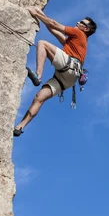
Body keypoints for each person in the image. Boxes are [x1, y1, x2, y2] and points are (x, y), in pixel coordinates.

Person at [13, 7, 97, 136]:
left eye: (81, 23)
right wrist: (40, 14)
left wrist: (35, 13)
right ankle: (20, 126)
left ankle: (38, 75)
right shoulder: (75, 42)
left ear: (86, 29)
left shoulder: (79, 33)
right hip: (68, 79)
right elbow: (51, 28)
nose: (77, 23)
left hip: (69, 65)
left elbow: (55, 24)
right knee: (39, 98)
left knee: (42, 43)